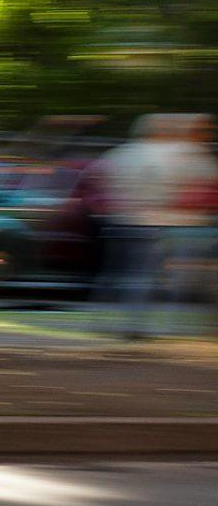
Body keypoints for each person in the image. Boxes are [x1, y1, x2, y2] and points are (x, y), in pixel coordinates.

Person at [98, 113, 218, 339]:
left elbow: (103, 183)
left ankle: (119, 322)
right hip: (164, 223)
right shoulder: (179, 154)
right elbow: (188, 190)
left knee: (122, 275)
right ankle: (166, 324)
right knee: (162, 278)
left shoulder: (120, 153)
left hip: (122, 221)